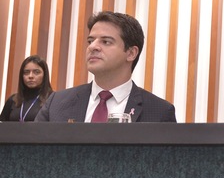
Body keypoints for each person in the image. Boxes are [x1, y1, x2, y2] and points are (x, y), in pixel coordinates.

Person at [36, 11, 176, 122]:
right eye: (90, 41)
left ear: (131, 53)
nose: (93, 47)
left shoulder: (160, 112)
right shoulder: (56, 103)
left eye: (106, 42)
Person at [0, 55, 54, 122]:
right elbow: (2, 125)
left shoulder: (52, 99)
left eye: (36, 72)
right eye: (26, 72)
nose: (30, 76)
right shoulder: (13, 100)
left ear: (45, 75)